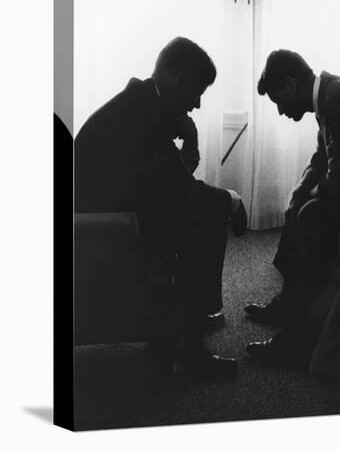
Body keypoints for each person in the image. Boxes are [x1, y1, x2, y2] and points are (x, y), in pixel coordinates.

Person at [75, 37, 247, 379]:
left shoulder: (140, 104)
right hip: (105, 228)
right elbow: (182, 192)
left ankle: (181, 333)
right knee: (210, 214)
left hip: (113, 213)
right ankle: (190, 349)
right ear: (180, 80)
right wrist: (233, 200)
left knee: (202, 209)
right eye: (197, 92)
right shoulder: (144, 117)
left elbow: (167, 184)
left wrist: (189, 143)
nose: (197, 105)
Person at [245, 49, 340, 365]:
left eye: (278, 101)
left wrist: (308, 199)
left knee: (312, 215)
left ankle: (298, 342)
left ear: (290, 85)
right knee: (300, 206)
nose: (280, 111)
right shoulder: (331, 96)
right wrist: (298, 193)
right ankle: (289, 303)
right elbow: (322, 159)